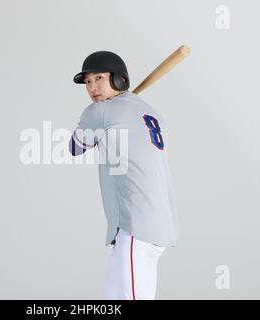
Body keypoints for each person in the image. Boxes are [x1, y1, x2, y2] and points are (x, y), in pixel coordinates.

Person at [69, 51, 179, 300]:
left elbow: (74, 148)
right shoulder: (149, 112)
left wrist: (100, 126)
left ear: (119, 79)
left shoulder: (99, 112)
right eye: (87, 82)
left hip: (135, 225)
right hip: (159, 223)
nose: (92, 87)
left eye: (99, 78)